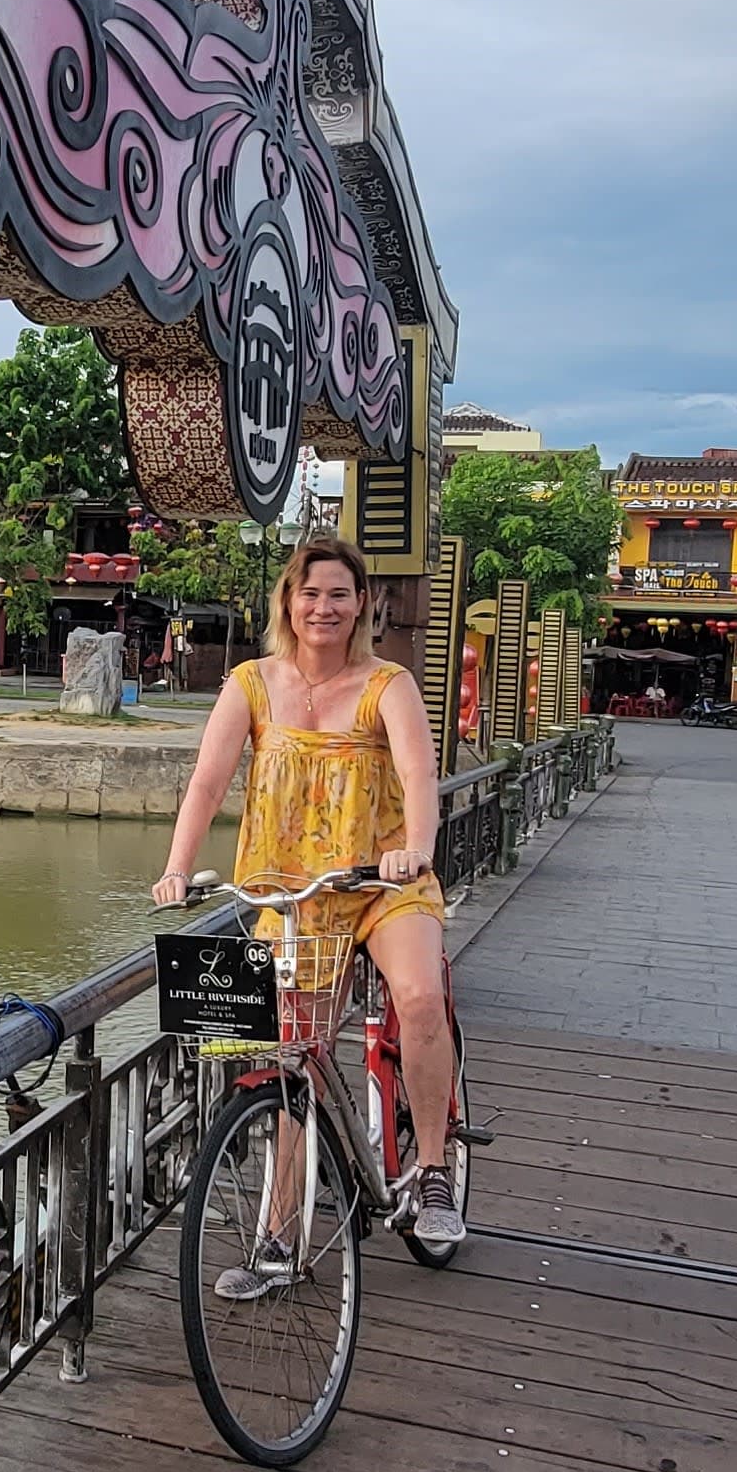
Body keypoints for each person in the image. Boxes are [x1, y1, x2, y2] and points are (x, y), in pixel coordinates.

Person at [154, 538, 461, 1287]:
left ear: (363, 605)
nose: (323, 608)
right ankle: (280, 1237)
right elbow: (207, 781)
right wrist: (175, 867)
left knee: (419, 995)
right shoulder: (251, 684)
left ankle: (430, 1170)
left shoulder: (388, 684)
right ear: (288, 601)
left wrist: (415, 848)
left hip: (384, 882)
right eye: (310, 594)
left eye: (339, 595)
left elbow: (419, 771)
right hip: (292, 894)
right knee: (295, 1058)